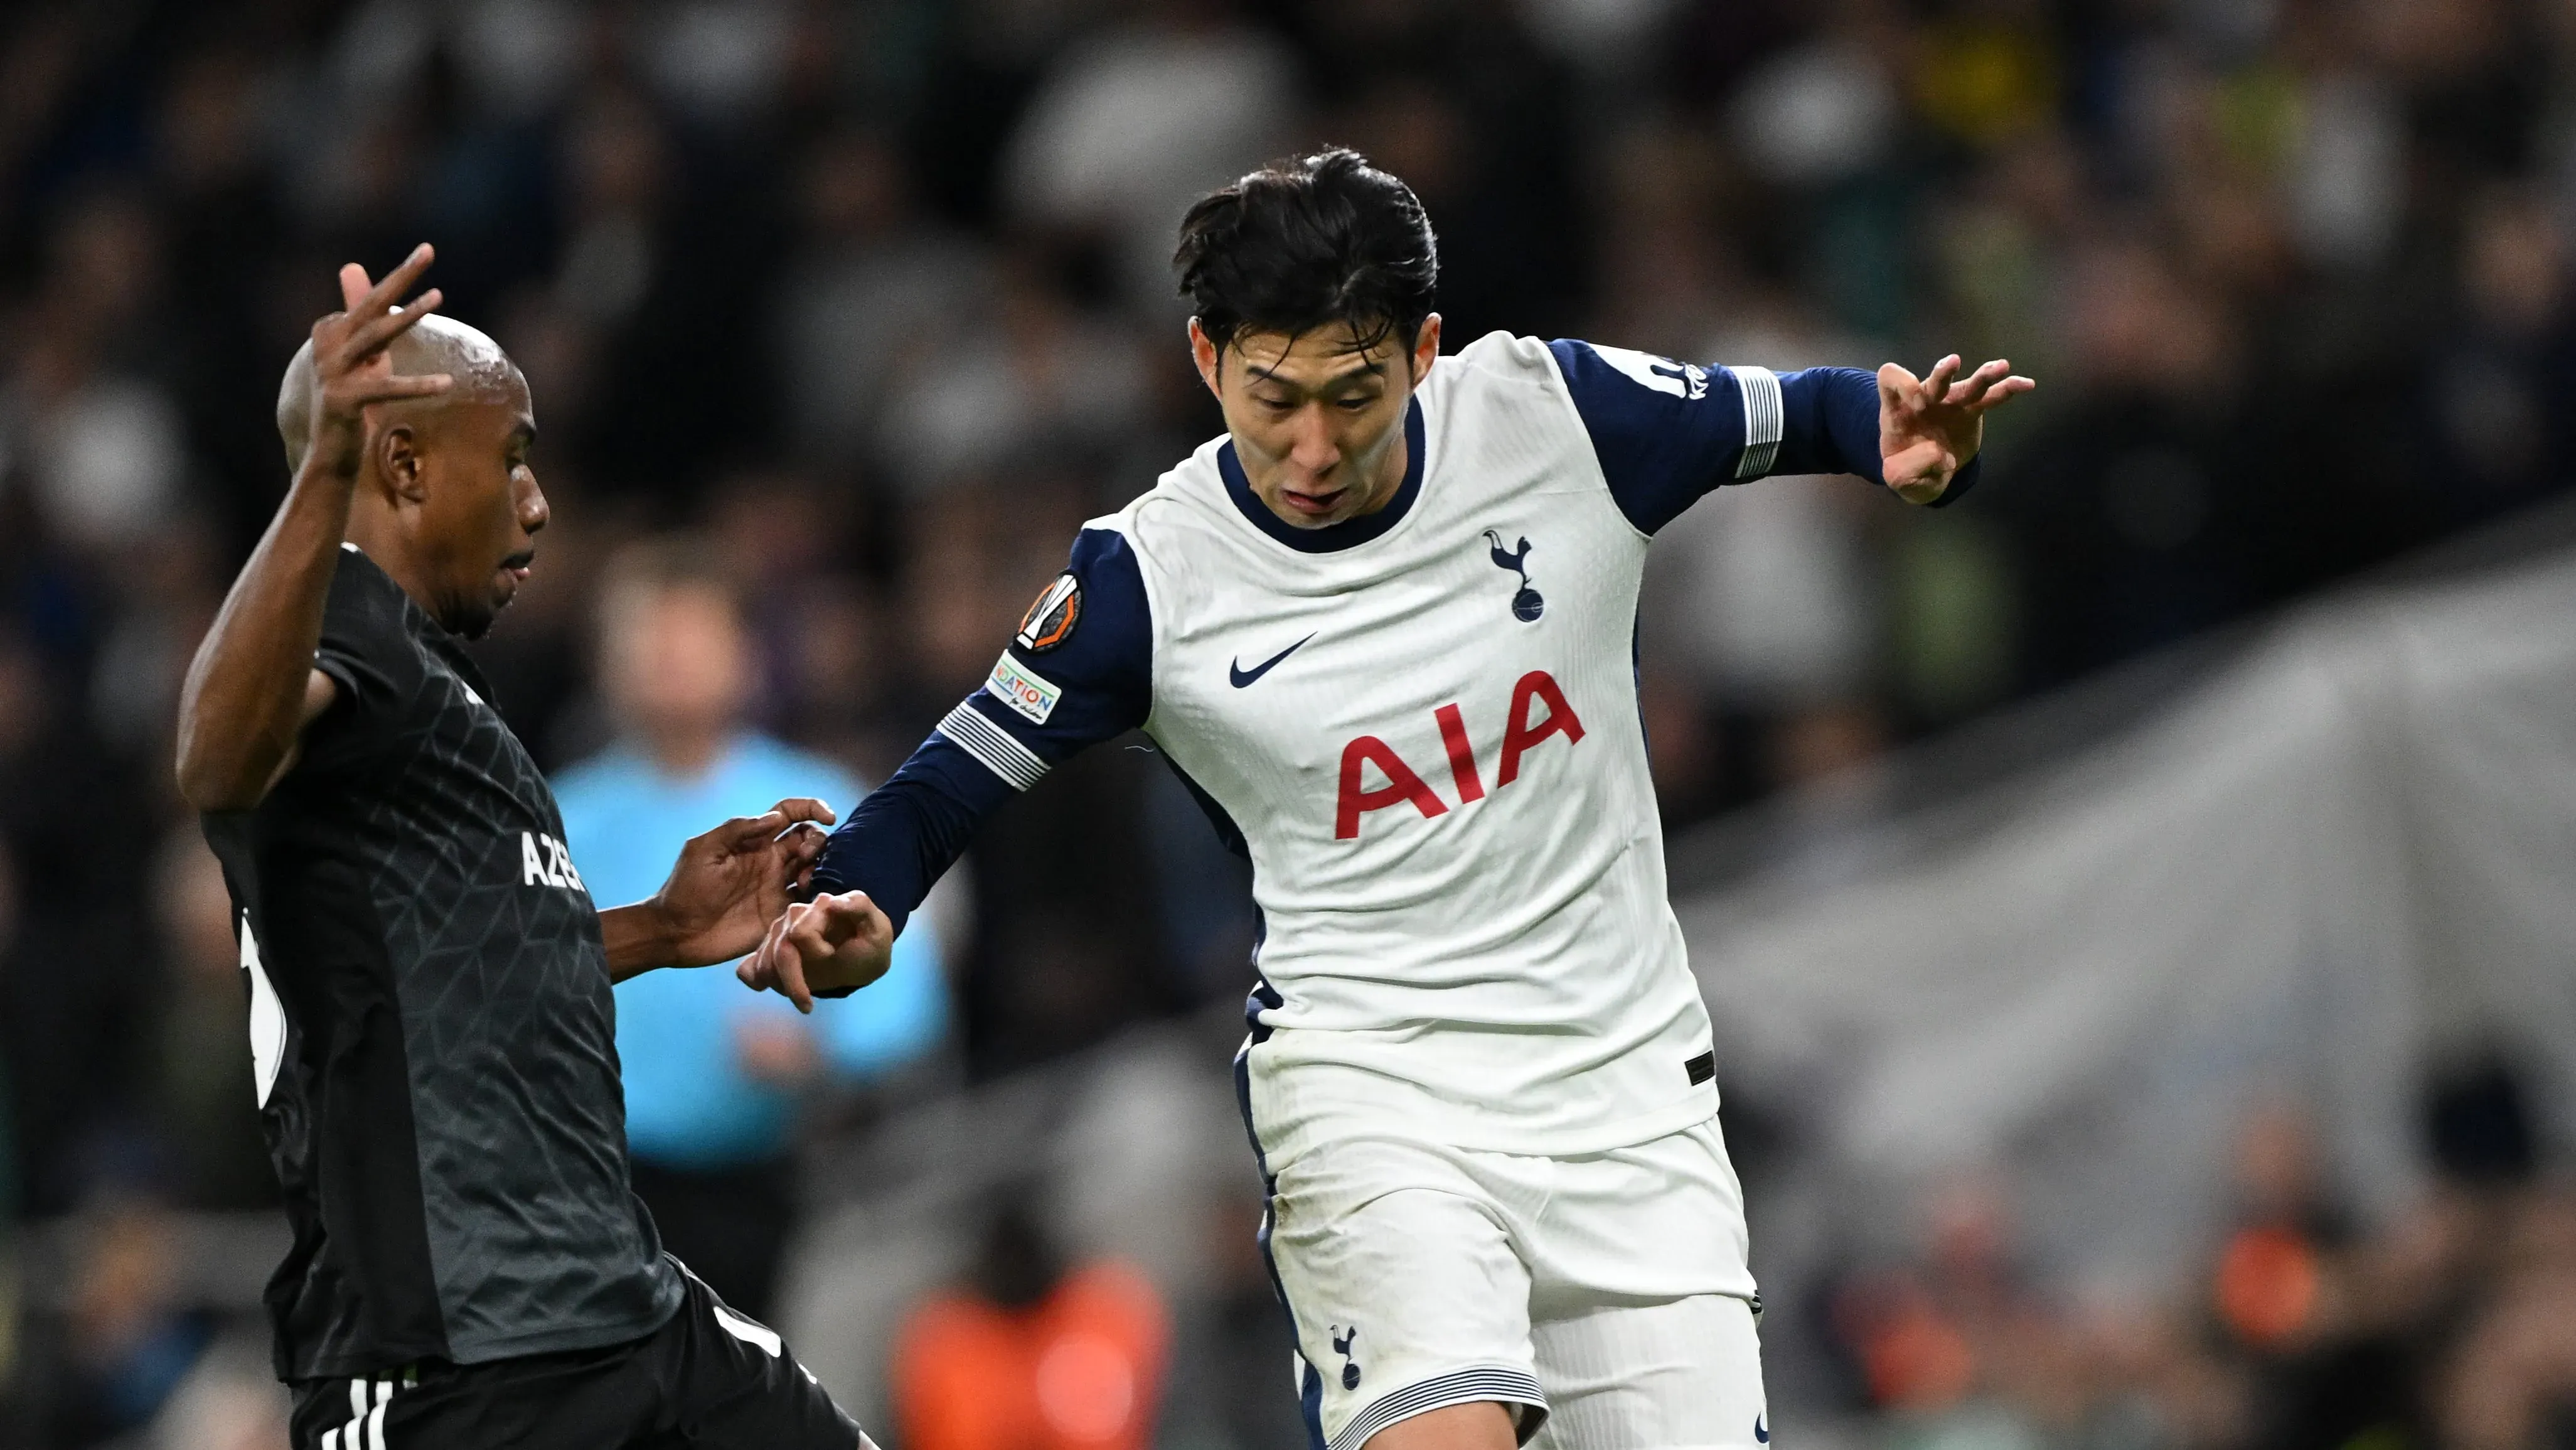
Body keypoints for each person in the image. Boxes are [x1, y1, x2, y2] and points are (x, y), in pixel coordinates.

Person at [751, 151, 2033, 1450]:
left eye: (1354, 395)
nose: (1313, 447)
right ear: (1207, 360)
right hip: (1372, 1098)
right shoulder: (1151, 578)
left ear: (1424, 351)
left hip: (1628, 1097)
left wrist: (1911, 450)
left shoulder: (1559, 415)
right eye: (1273, 398)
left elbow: (1812, 414)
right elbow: (943, 786)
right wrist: (859, 899)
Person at [173, 245, 868, 1450]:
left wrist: (657, 930)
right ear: (400, 462)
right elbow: (216, 762)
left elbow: (443, 969)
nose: (539, 500)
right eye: (512, 456)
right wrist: (317, 480)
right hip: (461, 1363)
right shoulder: (343, 630)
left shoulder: (437, 684)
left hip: (622, 1315)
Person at [553, 539, 948, 1323]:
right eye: (646, 640)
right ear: (607, 662)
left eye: (689, 636)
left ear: (743, 654)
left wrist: (823, 1051)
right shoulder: (558, 819)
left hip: (780, 1180)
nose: (668, 659)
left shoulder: (814, 806)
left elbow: (905, 996)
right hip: (595, 1187)